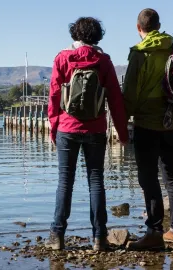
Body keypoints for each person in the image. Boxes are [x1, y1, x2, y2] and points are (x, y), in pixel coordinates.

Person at [45, 17, 129, 251]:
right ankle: (100, 238)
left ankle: (57, 236)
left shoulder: (62, 58)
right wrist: (122, 133)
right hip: (96, 128)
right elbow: (115, 100)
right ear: (97, 36)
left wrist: (54, 127)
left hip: (67, 128)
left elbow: (53, 97)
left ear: (75, 34)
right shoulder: (104, 61)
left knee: (65, 182)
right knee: (96, 181)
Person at [122, 8, 173, 250]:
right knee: (172, 174)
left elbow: (129, 93)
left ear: (139, 28)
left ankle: (154, 231)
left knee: (148, 177)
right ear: (158, 26)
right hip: (170, 122)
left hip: (146, 123)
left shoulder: (139, 53)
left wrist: (121, 123)